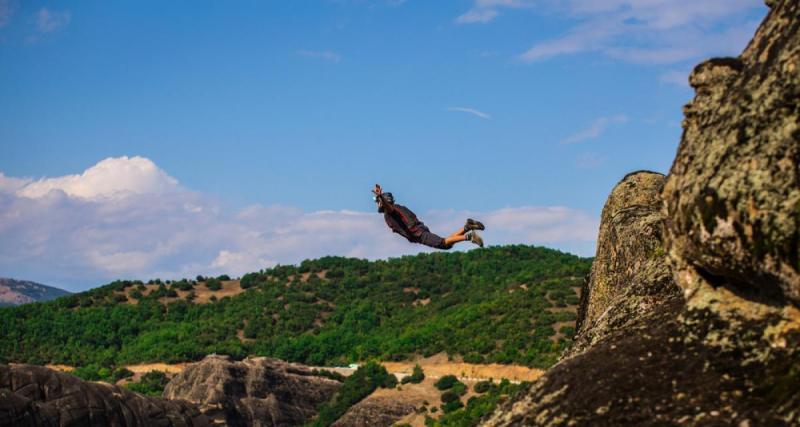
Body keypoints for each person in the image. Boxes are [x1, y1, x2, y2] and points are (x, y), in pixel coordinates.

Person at [372, 184, 484, 249]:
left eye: (378, 202)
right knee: (446, 245)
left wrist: (380, 197)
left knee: (443, 242)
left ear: (383, 202)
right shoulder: (398, 207)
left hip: (418, 234)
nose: (377, 204)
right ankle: (467, 227)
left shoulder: (390, 211)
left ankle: (470, 236)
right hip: (419, 231)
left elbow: (388, 207)